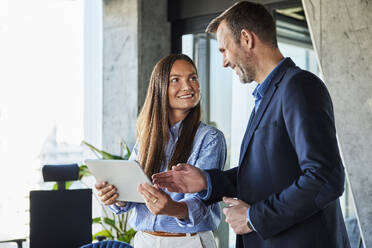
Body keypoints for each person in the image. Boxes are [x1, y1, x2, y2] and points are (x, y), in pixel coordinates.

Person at [152, 2, 350, 248]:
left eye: (224, 50)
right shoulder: (268, 95)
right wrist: (206, 181)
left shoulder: (299, 87)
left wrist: (254, 217)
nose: (224, 62)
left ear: (246, 38)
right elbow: (266, 172)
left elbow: (325, 178)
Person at [95, 54, 226, 248]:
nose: (188, 86)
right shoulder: (147, 137)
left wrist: (173, 208)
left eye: (193, 78)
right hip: (144, 241)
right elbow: (132, 193)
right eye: (175, 80)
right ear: (160, 88)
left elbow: (202, 203)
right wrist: (116, 197)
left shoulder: (210, 138)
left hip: (188, 242)